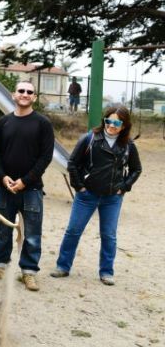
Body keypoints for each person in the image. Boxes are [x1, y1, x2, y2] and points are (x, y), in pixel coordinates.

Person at [51, 105, 142, 286]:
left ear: (124, 125)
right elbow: (72, 163)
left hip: (112, 198)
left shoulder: (128, 146)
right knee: (73, 231)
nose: (111, 125)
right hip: (87, 195)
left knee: (109, 235)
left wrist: (123, 187)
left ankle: (106, 272)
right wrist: (79, 187)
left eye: (116, 122)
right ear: (104, 120)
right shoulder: (89, 139)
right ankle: (63, 266)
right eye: (108, 120)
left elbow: (136, 169)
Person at [0, 81, 54, 292]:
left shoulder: (43, 124)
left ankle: (29, 272)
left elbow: (45, 157)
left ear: (34, 97)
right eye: (21, 91)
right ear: (14, 95)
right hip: (5, 188)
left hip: (31, 189)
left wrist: (25, 181)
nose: (24, 94)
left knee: (32, 232)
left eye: (29, 92)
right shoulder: (3, 122)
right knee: (4, 230)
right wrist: (3, 177)